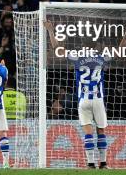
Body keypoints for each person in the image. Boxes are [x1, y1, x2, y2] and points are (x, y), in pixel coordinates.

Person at [44, 20, 111, 169]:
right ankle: (104, 164)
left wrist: (50, 30)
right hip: (98, 100)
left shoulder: (77, 56)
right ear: (96, 44)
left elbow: (57, 49)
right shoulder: (102, 57)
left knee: (88, 132)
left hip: (84, 100)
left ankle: (90, 164)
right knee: (101, 131)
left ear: (83, 44)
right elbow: (119, 51)